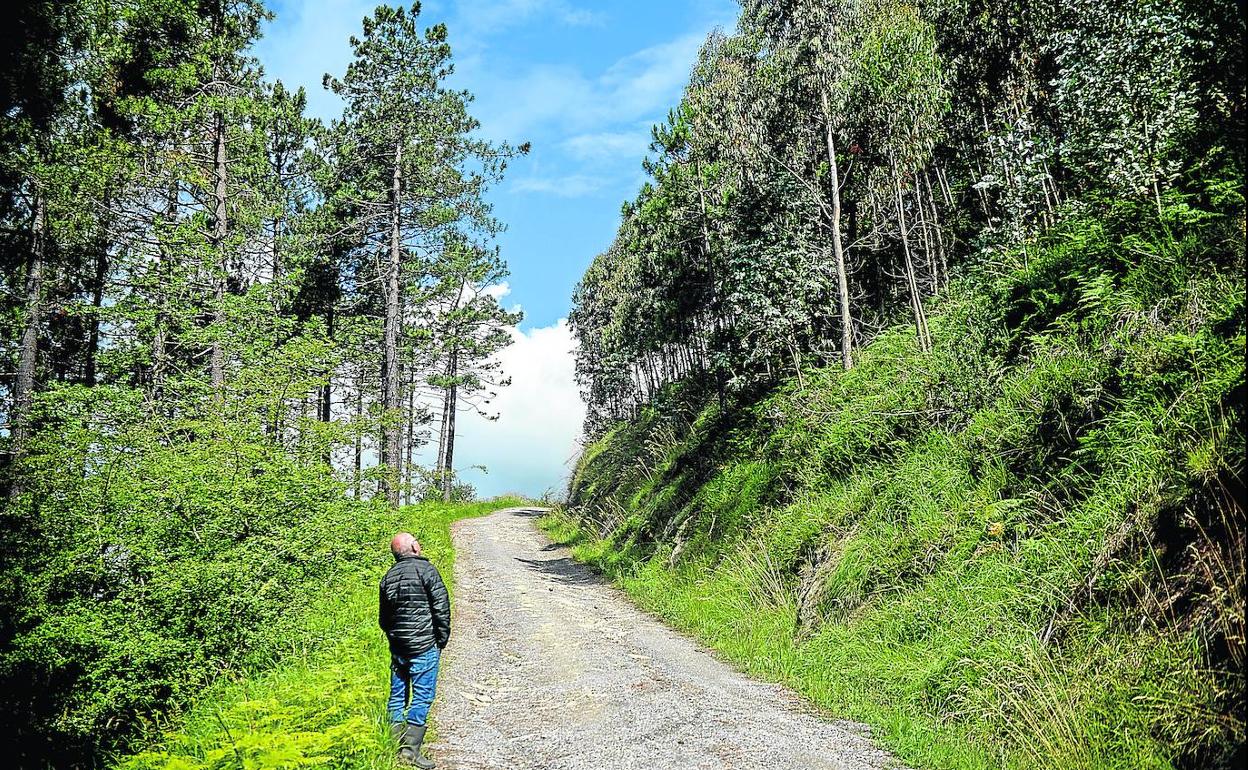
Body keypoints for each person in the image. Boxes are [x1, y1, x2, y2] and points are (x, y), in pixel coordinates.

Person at [379, 532, 450, 769]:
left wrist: (394, 640)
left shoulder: (389, 576)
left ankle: (392, 746)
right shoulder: (427, 571)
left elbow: (384, 619)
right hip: (423, 646)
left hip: (398, 648)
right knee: (422, 696)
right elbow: (441, 608)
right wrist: (440, 639)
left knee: (397, 697)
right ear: (415, 547)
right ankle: (410, 752)